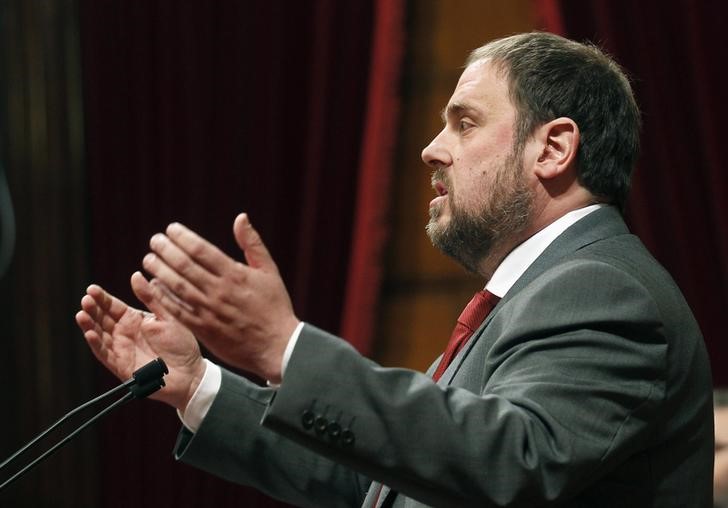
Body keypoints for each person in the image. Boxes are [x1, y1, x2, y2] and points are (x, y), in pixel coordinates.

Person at [75, 32, 714, 507]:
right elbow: (380, 480)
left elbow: (511, 463)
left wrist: (285, 347)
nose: (431, 149)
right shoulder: (538, 291)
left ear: (552, 148)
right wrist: (197, 386)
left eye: (464, 123)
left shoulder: (600, 287)